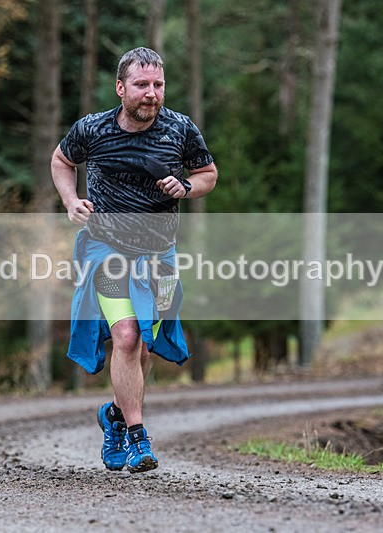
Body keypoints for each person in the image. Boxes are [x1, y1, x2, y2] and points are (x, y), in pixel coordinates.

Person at [50, 47, 218, 473]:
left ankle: (114, 417)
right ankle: (139, 438)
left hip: (159, 257)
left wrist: (186, 186)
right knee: (125, 336)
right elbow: (61, 160)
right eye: (142, 85)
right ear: (121, 88)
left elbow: (208, 175)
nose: (151, 94)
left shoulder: (180, 128)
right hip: (106, 249)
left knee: (143, 345)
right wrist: (71, 202)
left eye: (158, 85)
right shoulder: (92, 129)